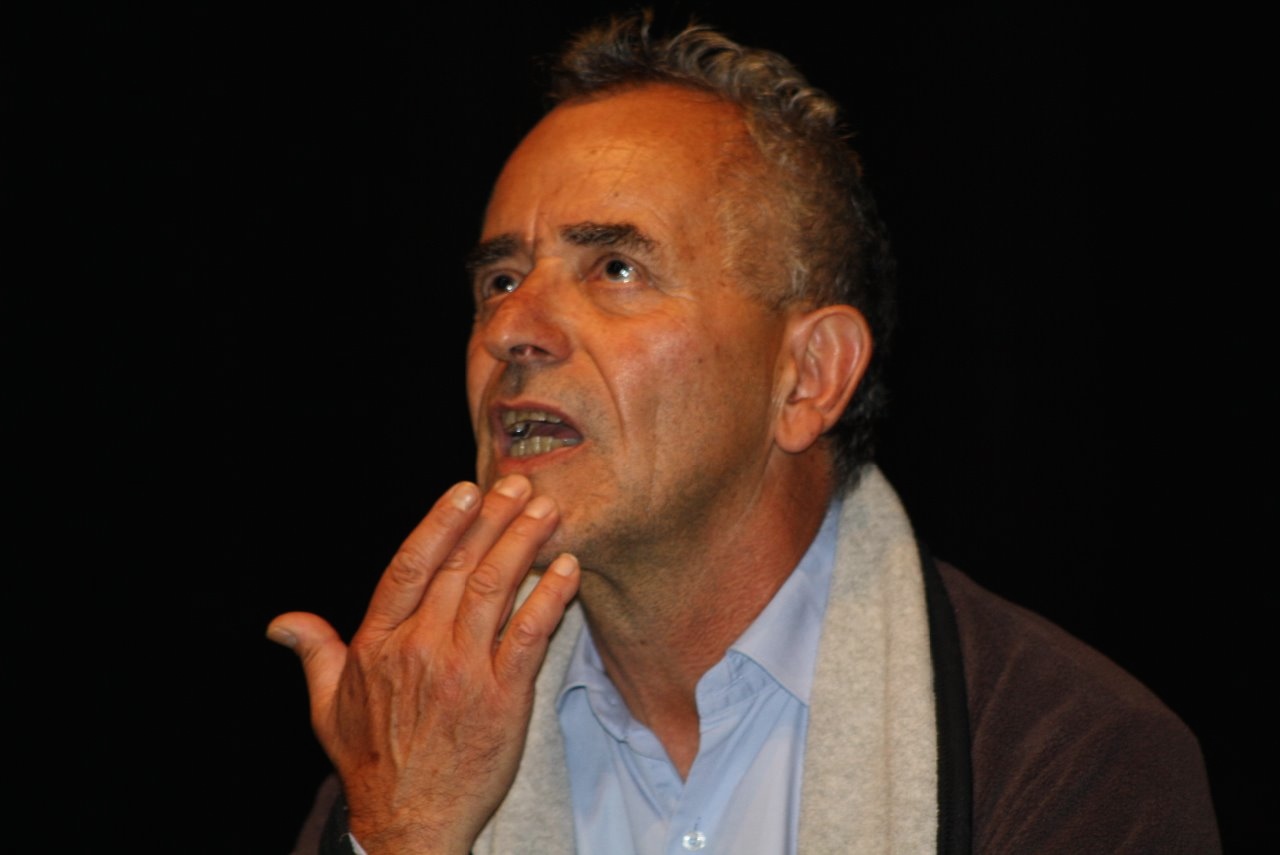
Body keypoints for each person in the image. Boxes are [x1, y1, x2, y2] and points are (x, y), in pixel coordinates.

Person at [268, 14, 1220, 854]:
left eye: (616, 268)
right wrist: (404, 832)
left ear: (808, 377)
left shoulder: (1064, 752)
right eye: (501, 279)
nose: (511, 329)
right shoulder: (419, 749)